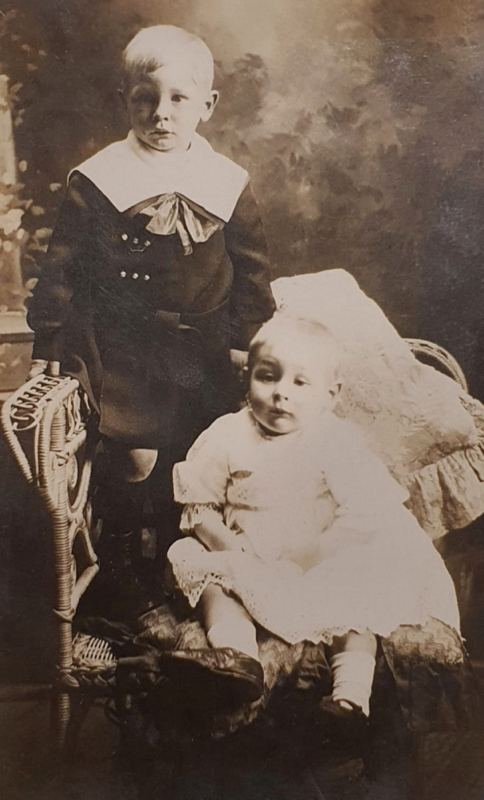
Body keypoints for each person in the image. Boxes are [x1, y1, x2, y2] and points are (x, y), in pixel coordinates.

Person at [26, 25, 275, 614]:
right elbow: (61, 268)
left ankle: (179, 568)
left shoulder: (227, 183)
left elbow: (253, 269)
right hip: (124, 347)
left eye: (179, 99)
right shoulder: (100, 179)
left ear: (207, 106)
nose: (161, 114)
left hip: (201, 349)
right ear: (125, 101)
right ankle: (118, 568)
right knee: (132, 459)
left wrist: (247, 343)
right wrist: (49, 338)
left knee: (195, 457)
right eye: (145, 98)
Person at [165, 314, 461, 725]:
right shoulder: (227, 435)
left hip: (320, 555)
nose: (280, 394)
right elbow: (201, 509)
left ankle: (350, 698)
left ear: (331, 394)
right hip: (246, 552)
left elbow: (363, 513)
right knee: (214, 582)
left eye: (300, 383)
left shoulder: (334, 439)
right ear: (247, 378)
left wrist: (312, 554)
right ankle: (237, 662)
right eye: (267, 377)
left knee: (359, 598)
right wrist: (233, 551)